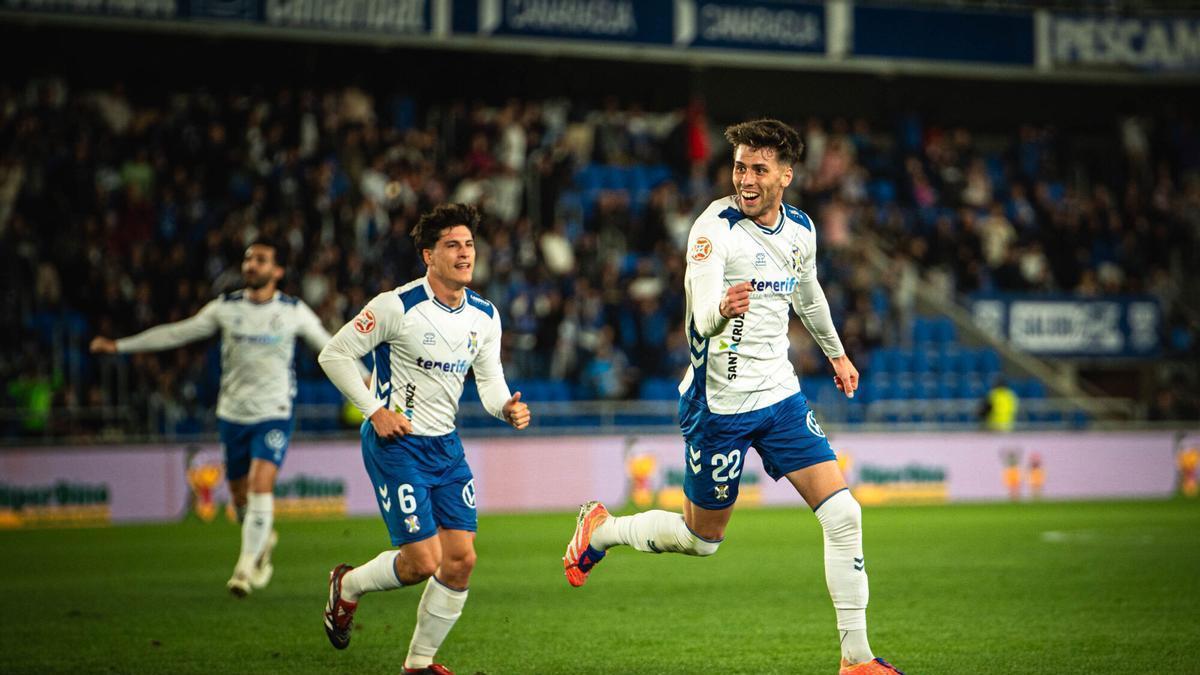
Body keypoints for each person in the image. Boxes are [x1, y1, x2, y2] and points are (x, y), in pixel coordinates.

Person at [561, 119, 902, 674]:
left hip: (781, 397)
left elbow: (808, 293)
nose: (745, 178)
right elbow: (696, 315)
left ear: (786, 176)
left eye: (758, 168)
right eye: (740, 166)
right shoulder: (713, 230)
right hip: (717, 406)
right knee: (702, 540)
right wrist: (722, 311)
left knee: (843, 513)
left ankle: (856, 660)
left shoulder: (800, 230)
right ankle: (602, 528)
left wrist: (837, 353)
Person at [318, 203, 530, 675]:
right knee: (423, 562)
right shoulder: (396, 306)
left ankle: (418, 663)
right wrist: (375, 411)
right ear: (427, 256)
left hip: (446, 447)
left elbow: (490, 382)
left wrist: (506, 408)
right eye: (452, 245)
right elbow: (333, 355)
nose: (464, 254)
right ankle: (348, 586)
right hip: (399, 445)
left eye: (469, 245)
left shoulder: (484, 315)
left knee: (460, 561)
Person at [90, 239, 348, 597]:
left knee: (261, 485)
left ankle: (243, 569)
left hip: (274, 413)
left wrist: (368, 381)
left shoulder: (293, 311)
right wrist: (121, 346)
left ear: (277, 271)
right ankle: (263, 538)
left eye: (260, 260)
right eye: (248, 259)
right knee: (241, 498)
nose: (251, 265)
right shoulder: (225, 308)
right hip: (233, 415)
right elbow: (176, 333)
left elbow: (331, 347)